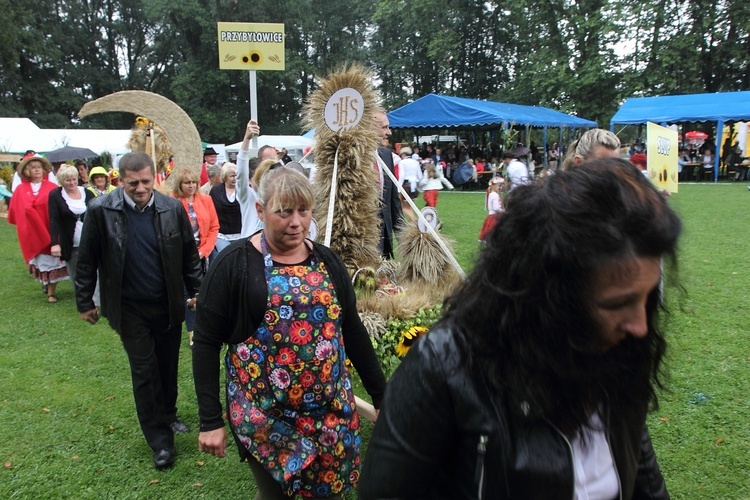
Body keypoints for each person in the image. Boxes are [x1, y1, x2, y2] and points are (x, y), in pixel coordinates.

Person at [360, 159, 678, 500]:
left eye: (647, 300)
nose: (641, 327)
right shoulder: (443, 366)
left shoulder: (620, 355)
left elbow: (645, 481)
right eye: (615, 304)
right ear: (542, 295)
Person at [193, 167, 386, 499]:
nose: (296, 222)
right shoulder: (234, 264)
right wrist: (210, 420)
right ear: (260, 210)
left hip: (329, 411)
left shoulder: (327, 262)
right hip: (265, 417)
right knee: (276, 494)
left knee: (329, 491)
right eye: (283, 212)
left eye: (303, 211)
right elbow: (206, 341)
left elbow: (352, 330)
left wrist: (383, 398)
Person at [75, 152, 202, 470]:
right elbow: (87, 259)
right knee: (144, 371)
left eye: (146, 181)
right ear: (120, 180)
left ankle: (169, 414)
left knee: (167, 365)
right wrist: (84, 301)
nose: (141, 188)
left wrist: (198, 289)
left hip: (168, 304)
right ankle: (160, 442)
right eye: (133, 183)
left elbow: (189, 253)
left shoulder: (171, 208)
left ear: (154, 177)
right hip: (129, 307)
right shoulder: (100, 210)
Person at [169, 166, 219, 348]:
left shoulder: (206, 200)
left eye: (193, 182)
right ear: (179, 184)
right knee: (186, 294)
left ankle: (205, 327)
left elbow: (214, 227)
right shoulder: (172, 201)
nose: (191, 186)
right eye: (187, 182)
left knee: (203, 292)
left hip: (202, 254)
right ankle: (192, 331)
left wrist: (204, 251)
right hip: (180, 257)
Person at [8, 155, 69, 303]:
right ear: (28, 171)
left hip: (50, 229)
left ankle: (51, 292)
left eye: (39, 167)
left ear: (44, 170)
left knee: (52, 260)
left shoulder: (52, 188)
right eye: (33, 167)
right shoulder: (21, 190)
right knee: (40, 261)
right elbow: (16, 211)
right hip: (31, 233)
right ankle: (46, 284)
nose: (36, 170)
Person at [48, 165, 95, 294]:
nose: (72, 183)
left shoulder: (87, 193)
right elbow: (54, 219)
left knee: (94, 272)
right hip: (71, 243)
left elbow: (97, 216)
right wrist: (54, 243)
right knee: (76, 275)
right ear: (62, 181)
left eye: (74, 179)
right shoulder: (55, 195)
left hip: (90, 241)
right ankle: (83, 301)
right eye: (68, 180)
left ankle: (96, 300)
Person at [373, 111, 403, 258]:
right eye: (384, 127)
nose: (389, 132)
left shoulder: (386, 155)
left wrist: (404, 240)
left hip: (385, 242)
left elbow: (393, 202)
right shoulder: (349, 157)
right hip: (360, 244)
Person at [236, 120, 263, 239]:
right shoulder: (246, 195)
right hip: (249, 245)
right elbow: (241, 172)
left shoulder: (273, 196)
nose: (262, 182)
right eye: (257, 179)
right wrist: (246, 139)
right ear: (249, 180)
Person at [210, 162, 242, 256]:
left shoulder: (243, 190)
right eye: (232, 176)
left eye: (236, 175)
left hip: (241, 234)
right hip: (222, 236)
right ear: (225, 176)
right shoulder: (215, 191)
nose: (235, 178)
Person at [478, 176, 504, 242]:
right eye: (499, 186)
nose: (500, 188)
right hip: (495, 216)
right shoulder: (495, 195)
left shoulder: (491, 194)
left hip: (491, 215)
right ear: (493, 186)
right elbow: (496, 208)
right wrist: (503, 211)